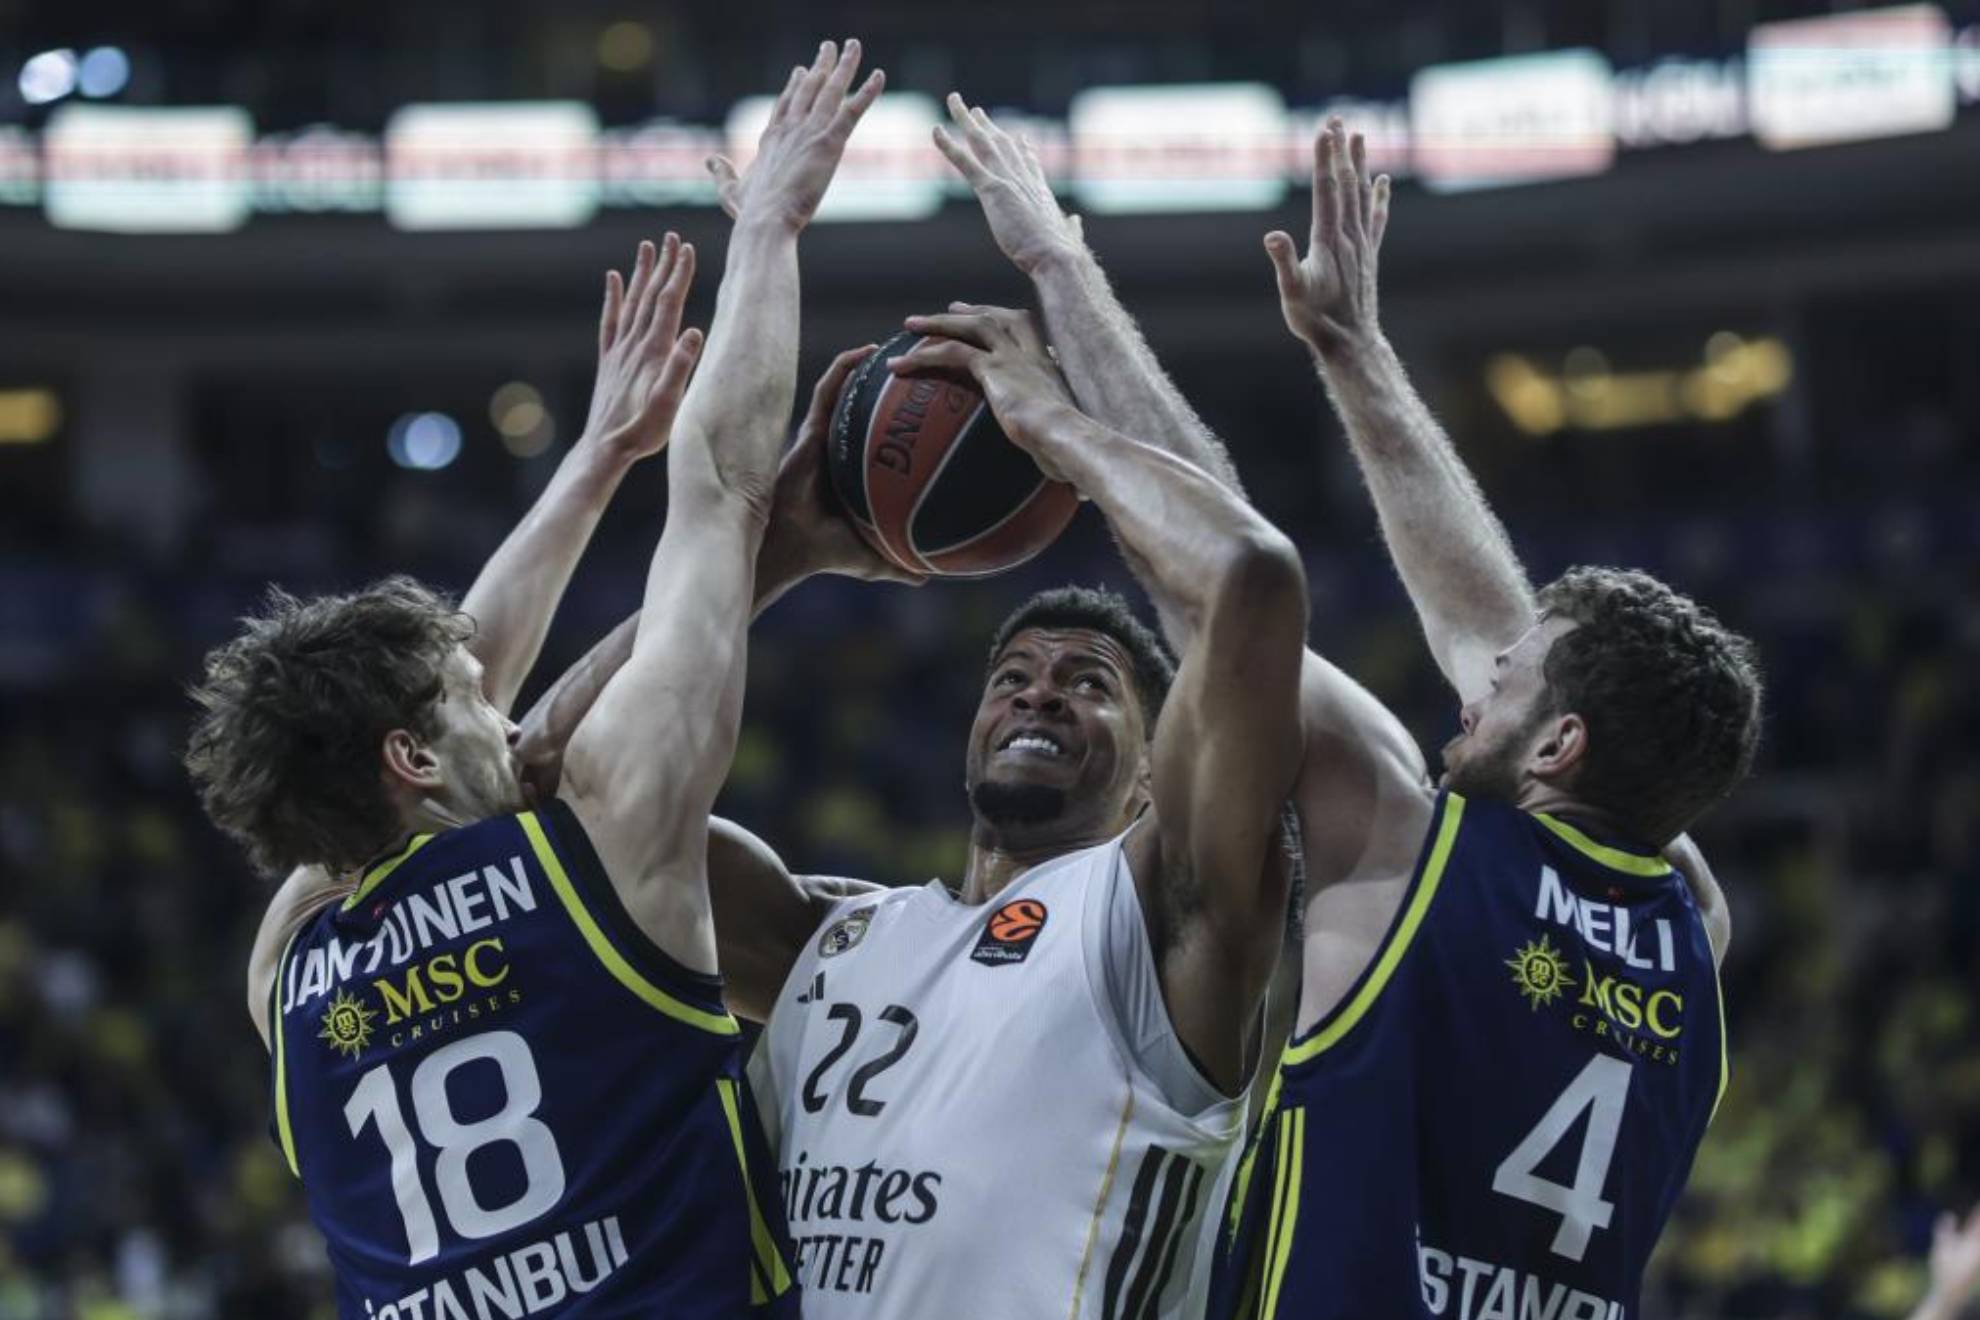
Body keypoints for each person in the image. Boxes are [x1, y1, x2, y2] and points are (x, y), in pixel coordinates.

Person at [927, 99, 1763, 1319]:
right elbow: (1500, 643)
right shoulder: (1694, 926)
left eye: (1508, 684)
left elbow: (1226, 576)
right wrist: (1355, 356)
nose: (1474, 692)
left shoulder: (1402, 846)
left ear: (1562, 745)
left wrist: (1060, 283)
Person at [190, 39, 883, 1318]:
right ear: (410, 756)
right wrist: (772, 232)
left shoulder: (288, 968)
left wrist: (598, 456)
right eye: (475, 700)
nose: (512, 704)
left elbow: (454, 680)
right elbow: (723, 485)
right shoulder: (603, 845)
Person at [516, 314, 1309, 1316]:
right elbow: (539, 787)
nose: (1037, 693)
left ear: (1158, 774)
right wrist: (775, 557)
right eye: (1012, 675)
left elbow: (1253, 579)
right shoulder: (830, 935)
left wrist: (1054, 428)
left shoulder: (1161, 915)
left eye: (1088, 682)